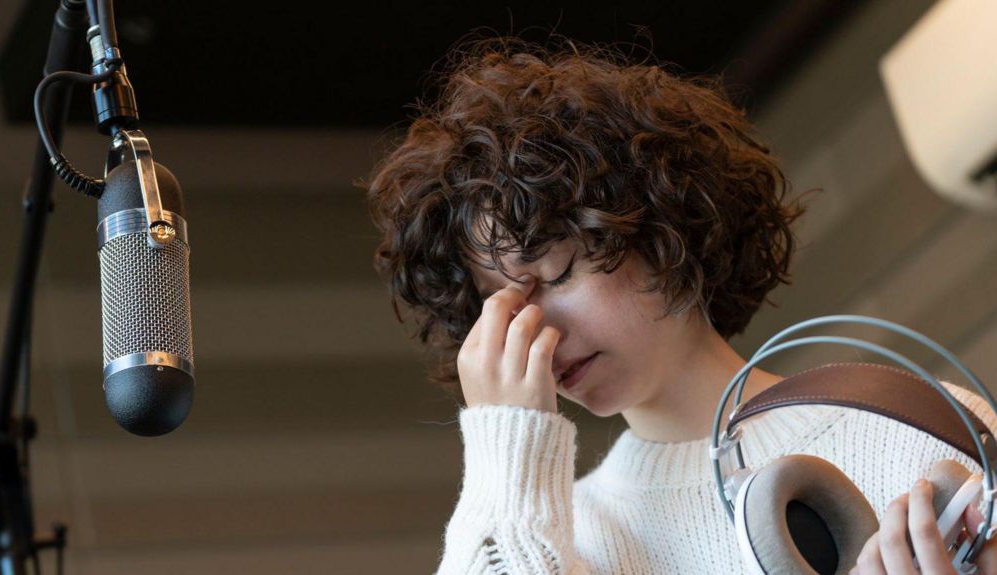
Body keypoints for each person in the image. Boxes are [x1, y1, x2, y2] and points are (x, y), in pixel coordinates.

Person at [362, 36, 997, 574]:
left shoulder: (927, 423)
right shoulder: (565, 537)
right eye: (501, 310)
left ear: (660, 231)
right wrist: (508, 446)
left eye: (553, 274)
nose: (536, 337)